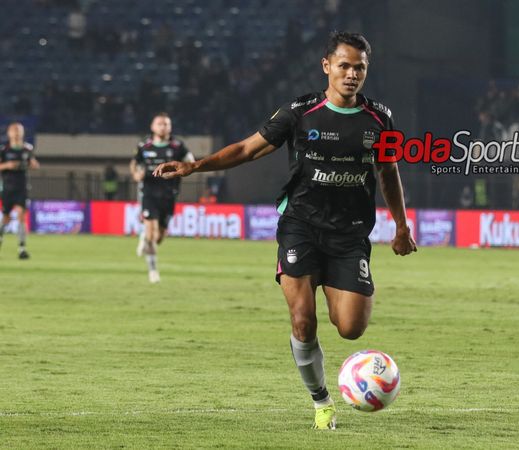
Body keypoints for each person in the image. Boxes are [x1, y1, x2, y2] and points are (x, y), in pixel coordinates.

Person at [153, 31, 416, 430]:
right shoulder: (299, 112)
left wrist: (401, 225)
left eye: (359, 67)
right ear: (327, 66)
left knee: (350, 328)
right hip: (301, 226)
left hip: (349, 235)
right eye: (343, 65)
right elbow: (245, 149)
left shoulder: (379, 118)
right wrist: (195, 166)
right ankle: (322, 401)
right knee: (302, 321)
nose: (351, 74)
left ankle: (349, 358)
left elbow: (388, 170)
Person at [130, 113, 195, 283]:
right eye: (159, 124)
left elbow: (190, 161)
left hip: (169, 195)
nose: (163, 127)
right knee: (152, 234)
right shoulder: (144, 145)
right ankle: (153, 271)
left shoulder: (178, 145)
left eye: (166, 124)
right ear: (152, 126)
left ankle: (144, 236)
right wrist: (136, 174)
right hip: (149, 193)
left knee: (158, 238)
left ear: (170, 127)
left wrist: (188, 166)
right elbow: (134, 162)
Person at [0, 122, 39, 259]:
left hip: (22, 188)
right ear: (9, 133)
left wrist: (32, 165)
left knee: (22, 216)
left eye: (19, 130)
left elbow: (34, 164)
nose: (16, 133)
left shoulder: (27, 149)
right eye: (14, 130)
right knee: (6, 218)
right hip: (8, 188)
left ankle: (22, 249)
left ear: (22, 133)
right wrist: (8, 165)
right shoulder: (4, 150)